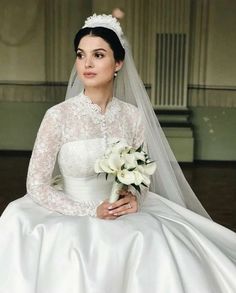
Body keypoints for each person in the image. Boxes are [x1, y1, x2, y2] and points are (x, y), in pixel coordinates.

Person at [0, 14, 236, 293]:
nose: (86, 64)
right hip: (70, 211)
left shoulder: (132, 116)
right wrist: (90, 210)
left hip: (121, 212)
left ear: (118, 63)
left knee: (150, 241)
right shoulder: (58, 116)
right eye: (80, 55)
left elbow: (143, 176)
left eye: (98, 55)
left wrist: (134, 199)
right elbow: (36, 184)